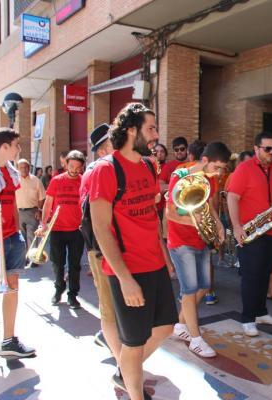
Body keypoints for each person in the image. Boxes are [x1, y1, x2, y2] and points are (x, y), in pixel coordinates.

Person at [90, 103, 176, 400]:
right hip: (127, 269)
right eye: (150, 128)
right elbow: (101, 229)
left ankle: (125, 370)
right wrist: (125, 278)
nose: (156, 135)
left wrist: (165, 259)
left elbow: (150, 216)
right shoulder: (105, 170)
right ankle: (133, 390)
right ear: (131, 130)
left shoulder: (149, 165)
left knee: (166, 327)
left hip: (154, 263)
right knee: (135, 342)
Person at [167, 141, 230, 358]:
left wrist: (218, 224)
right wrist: (195, 223)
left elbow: (208, 206)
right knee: (190, 290)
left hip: (200, 240)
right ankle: (196, 339)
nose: (220, 172)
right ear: (205, 161)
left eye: (223, 168)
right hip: (181, 241)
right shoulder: (179, 175)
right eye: (217, 167)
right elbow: (171, 213)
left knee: (204, 286)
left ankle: (181, 325)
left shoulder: (209, 179)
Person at [0, 128, 35, 358]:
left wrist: (18, 233)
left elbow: (10, 202)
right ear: (4, 146)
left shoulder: (10, 172)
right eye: (16, 144)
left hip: (11, 237)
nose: (18, 149)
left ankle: (9, 341)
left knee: (12, 287)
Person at [227, 131, 272, 337]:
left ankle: (260, 312)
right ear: (256, 149)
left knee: (265, 273)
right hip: (252, 232)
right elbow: (232, 198)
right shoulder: (244, 169)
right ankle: (247, 318)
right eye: (267, 149)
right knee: (251, 276)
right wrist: (236, 227)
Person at [79, 123, 119, 358]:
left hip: (109, 247)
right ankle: (119, 358)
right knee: (109, 307)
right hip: (102, 248)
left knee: (114, 304)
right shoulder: (98, 171)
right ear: (103, 149)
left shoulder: (109, 168)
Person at [38, 150, 85, 309]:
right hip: (57, 229)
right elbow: (48, 203)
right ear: (66, 164)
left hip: (76, 230)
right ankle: (59, 288)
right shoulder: (56, 181)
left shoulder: (83, 181)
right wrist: (43, 224)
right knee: (57, 263)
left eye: (77, 167)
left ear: (81, 168)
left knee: (75, 265)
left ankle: (73, 295)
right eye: (71, 165)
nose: (73, 169)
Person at [15, 159, 45, 260]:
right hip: (18, 212)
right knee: (20, 237)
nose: (24, 169)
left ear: (29, 168)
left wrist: (39, 210)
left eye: (26, 167)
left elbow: (42, 197)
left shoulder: (36, 180)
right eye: (21, 167)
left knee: (32, 236)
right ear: (17, 169)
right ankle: (23, 259)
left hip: (32, 212)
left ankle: (33, 259)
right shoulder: (14, 180)